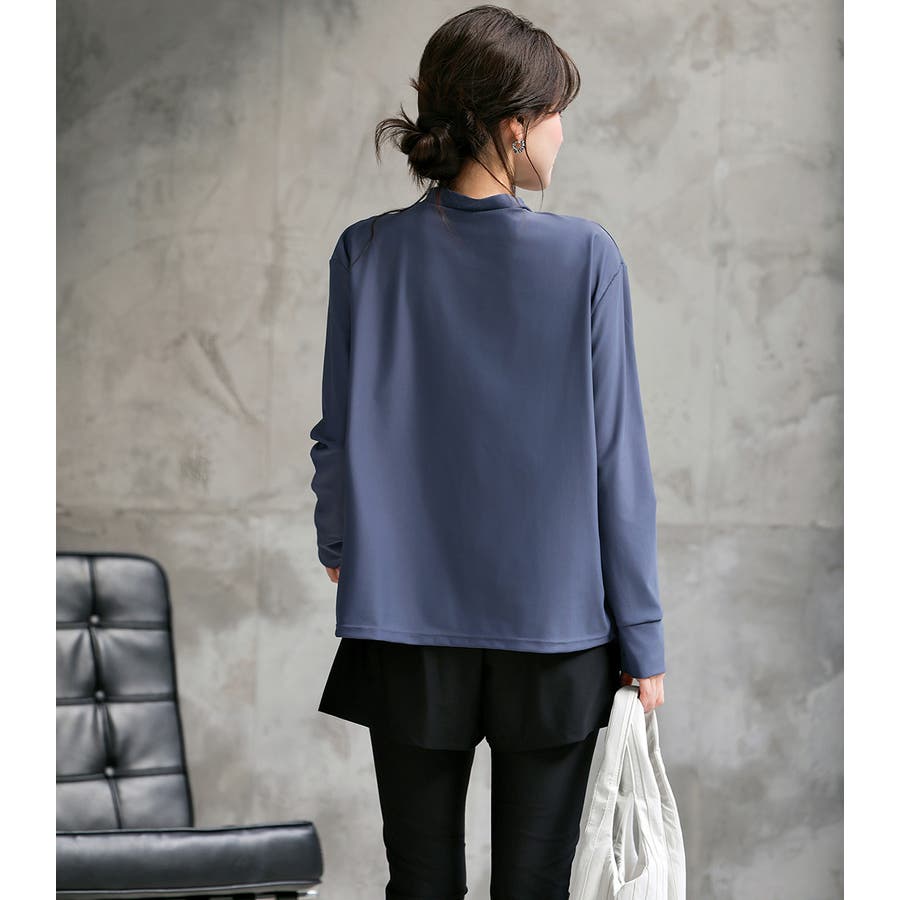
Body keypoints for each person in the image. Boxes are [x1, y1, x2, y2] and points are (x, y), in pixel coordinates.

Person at [309, 6, 667, 898]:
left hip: (405, 617)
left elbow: (338, 433)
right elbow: (618, 464)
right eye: (555, 112)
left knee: (420, 883)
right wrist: (643, 636)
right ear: (514, 125)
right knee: (535, 886)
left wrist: (342, 543)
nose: (561, 132)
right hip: (554, 626)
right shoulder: (586, 257)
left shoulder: (366, 252)